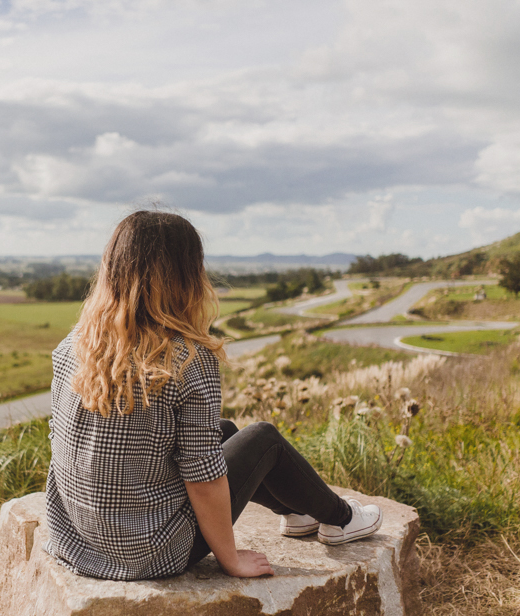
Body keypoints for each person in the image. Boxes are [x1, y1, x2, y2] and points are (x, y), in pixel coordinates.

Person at [45, 211, 382, 581]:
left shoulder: (78, 342)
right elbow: (203, 481)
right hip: (150, 552)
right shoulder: (186, 360)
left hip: (78, 539)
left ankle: (297, 511)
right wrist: (230, 558)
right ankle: (341, 520)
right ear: (187, 276)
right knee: (261, 439)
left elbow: (59, 438)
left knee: (223, 431)